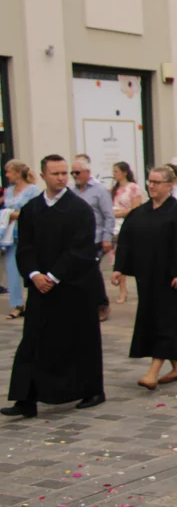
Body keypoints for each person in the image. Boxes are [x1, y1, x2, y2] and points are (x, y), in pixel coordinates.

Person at [2, 155, 105, 418]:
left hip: (73, 287)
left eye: (64, 173)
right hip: (40, 287)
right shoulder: (32, 209)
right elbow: (25, 247)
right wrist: (35, 274)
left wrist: (54, 276)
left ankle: (91, 390)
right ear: (43, 175)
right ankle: (26, 399)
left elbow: (81, 249)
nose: (61, 177)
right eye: (55, 173)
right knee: (33, 341)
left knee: (79, 339)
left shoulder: (79, 209)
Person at [112, 166, 177, 390]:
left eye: (157, 182)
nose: (151, 185)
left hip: (170, 279)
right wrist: (119, 268)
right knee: (152, 319)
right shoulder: (140, 213)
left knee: (166, 321)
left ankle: (153, 372)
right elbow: (126, 240)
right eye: (149, 181)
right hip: (147, 277)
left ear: (169, 186)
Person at [71, 157, 115, 322]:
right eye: (72, 172)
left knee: (92, 272)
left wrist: (107, 238)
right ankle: (84, 304)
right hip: (77, 239)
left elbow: (108, 216)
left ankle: (102, 304)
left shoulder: (99, 190)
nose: (74, 176)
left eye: (77, 172)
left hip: (95, 238)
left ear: (87, 173)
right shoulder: (72, 191)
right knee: (80, 273)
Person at [1, 161, 42, 319]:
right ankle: (17, 304)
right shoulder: (9, 191)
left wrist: (13, 215)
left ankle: (36, 301)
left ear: (18, 173)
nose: (6, 175)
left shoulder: (32, 190)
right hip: (11, 234)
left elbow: (35, 212)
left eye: (9, 172)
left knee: (32, 268)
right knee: (12, 270)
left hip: (28, 234)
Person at [110, 161, 144, 304]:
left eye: (116, 171)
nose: (114, 174)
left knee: (134, 258)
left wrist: (120, 213)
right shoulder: (113, 189)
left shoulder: (133, 188)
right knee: (119, 259)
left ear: (124, 173)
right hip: (114, 226)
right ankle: (122, 291)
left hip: (128, 224)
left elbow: (135, 210)